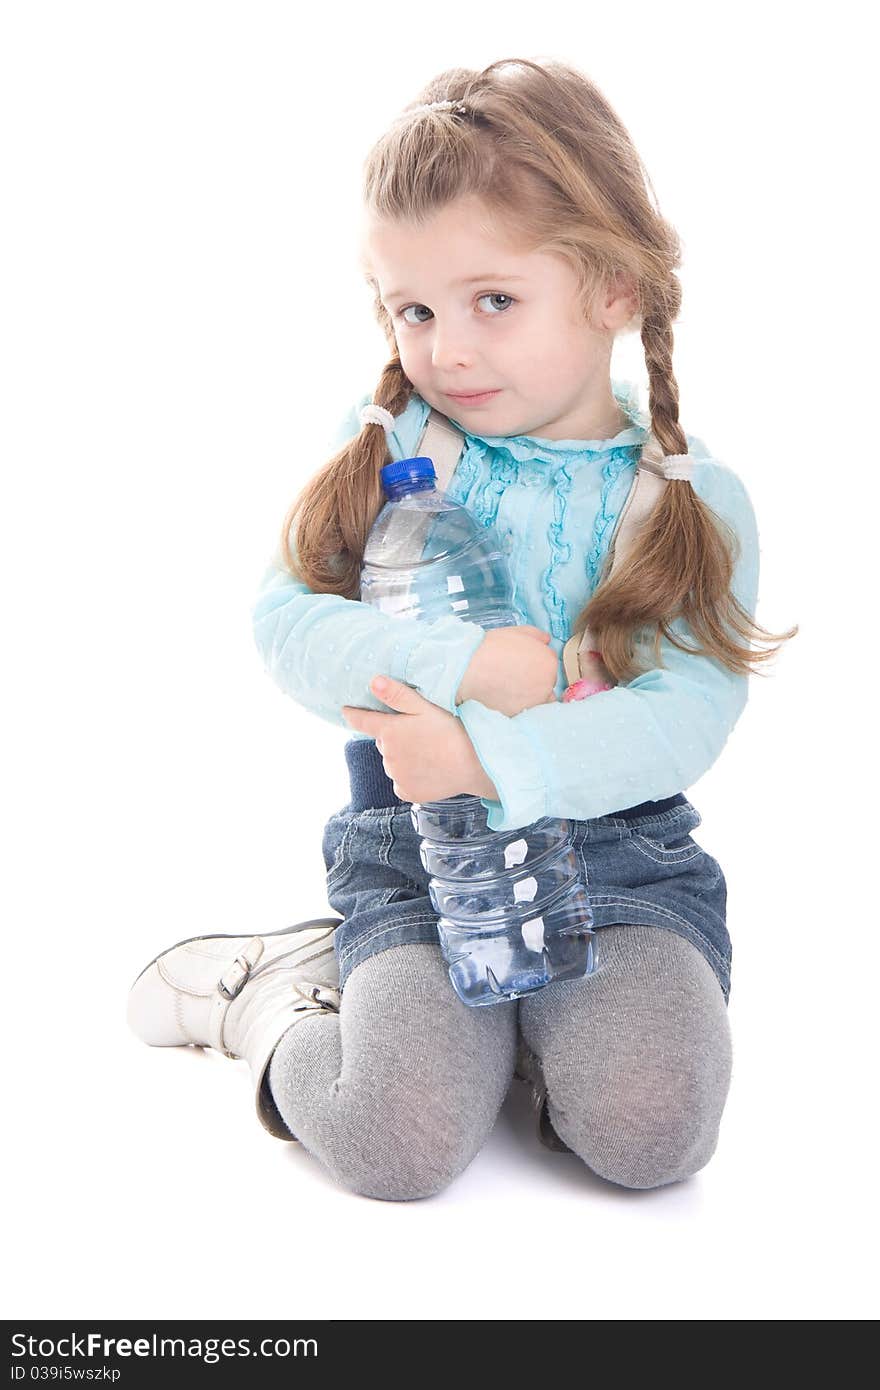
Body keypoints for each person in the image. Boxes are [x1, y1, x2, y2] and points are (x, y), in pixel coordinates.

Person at [127, 57, 797, 1200]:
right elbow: (287, 619)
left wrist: (498, 751)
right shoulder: (406, 450)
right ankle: (278, 1003)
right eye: (415, 309)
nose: (448, 349)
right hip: (423, 852)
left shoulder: (682, 497)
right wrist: (458, 668)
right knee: (398, 1141)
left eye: (495, 300)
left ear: (613, 289)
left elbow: (686, 714)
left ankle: (546, 1039)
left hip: (621, 856)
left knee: (652, 1134)